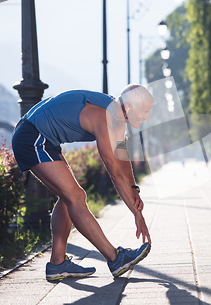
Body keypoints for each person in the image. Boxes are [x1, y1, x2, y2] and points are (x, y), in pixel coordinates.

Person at [12, 84, 154, 281]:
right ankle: (115, 258)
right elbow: (115, 172)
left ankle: (57, 263)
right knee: (75, 197)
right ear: (129, 107)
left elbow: (122, 160)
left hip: (43, 139)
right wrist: (136, 214)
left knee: (69, 197)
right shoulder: (106, 117)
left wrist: (134, 190)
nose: (147, 117)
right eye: (145, 111)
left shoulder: (116, 118)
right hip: (32, 137)